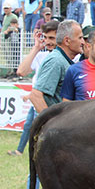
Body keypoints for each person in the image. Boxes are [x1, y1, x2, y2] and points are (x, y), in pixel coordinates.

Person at [27, 20, 84, 189]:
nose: (83, 41)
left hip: (61, 134)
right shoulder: (55, 61)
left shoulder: (66, 62)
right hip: (54, 134)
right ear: (67, 40)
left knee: (61, 186)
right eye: (80, 37)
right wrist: (52, 125)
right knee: (51, 187)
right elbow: (36, 95)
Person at [10, 21, 58, 157]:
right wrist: (36, 48)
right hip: (36, 101)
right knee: (29, 128)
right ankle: (20, 150)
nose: (48, 42)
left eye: (52, 38)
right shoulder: (41, 56)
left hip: (50, 103)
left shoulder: (64, 58)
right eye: (46, 37)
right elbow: (21, 71)